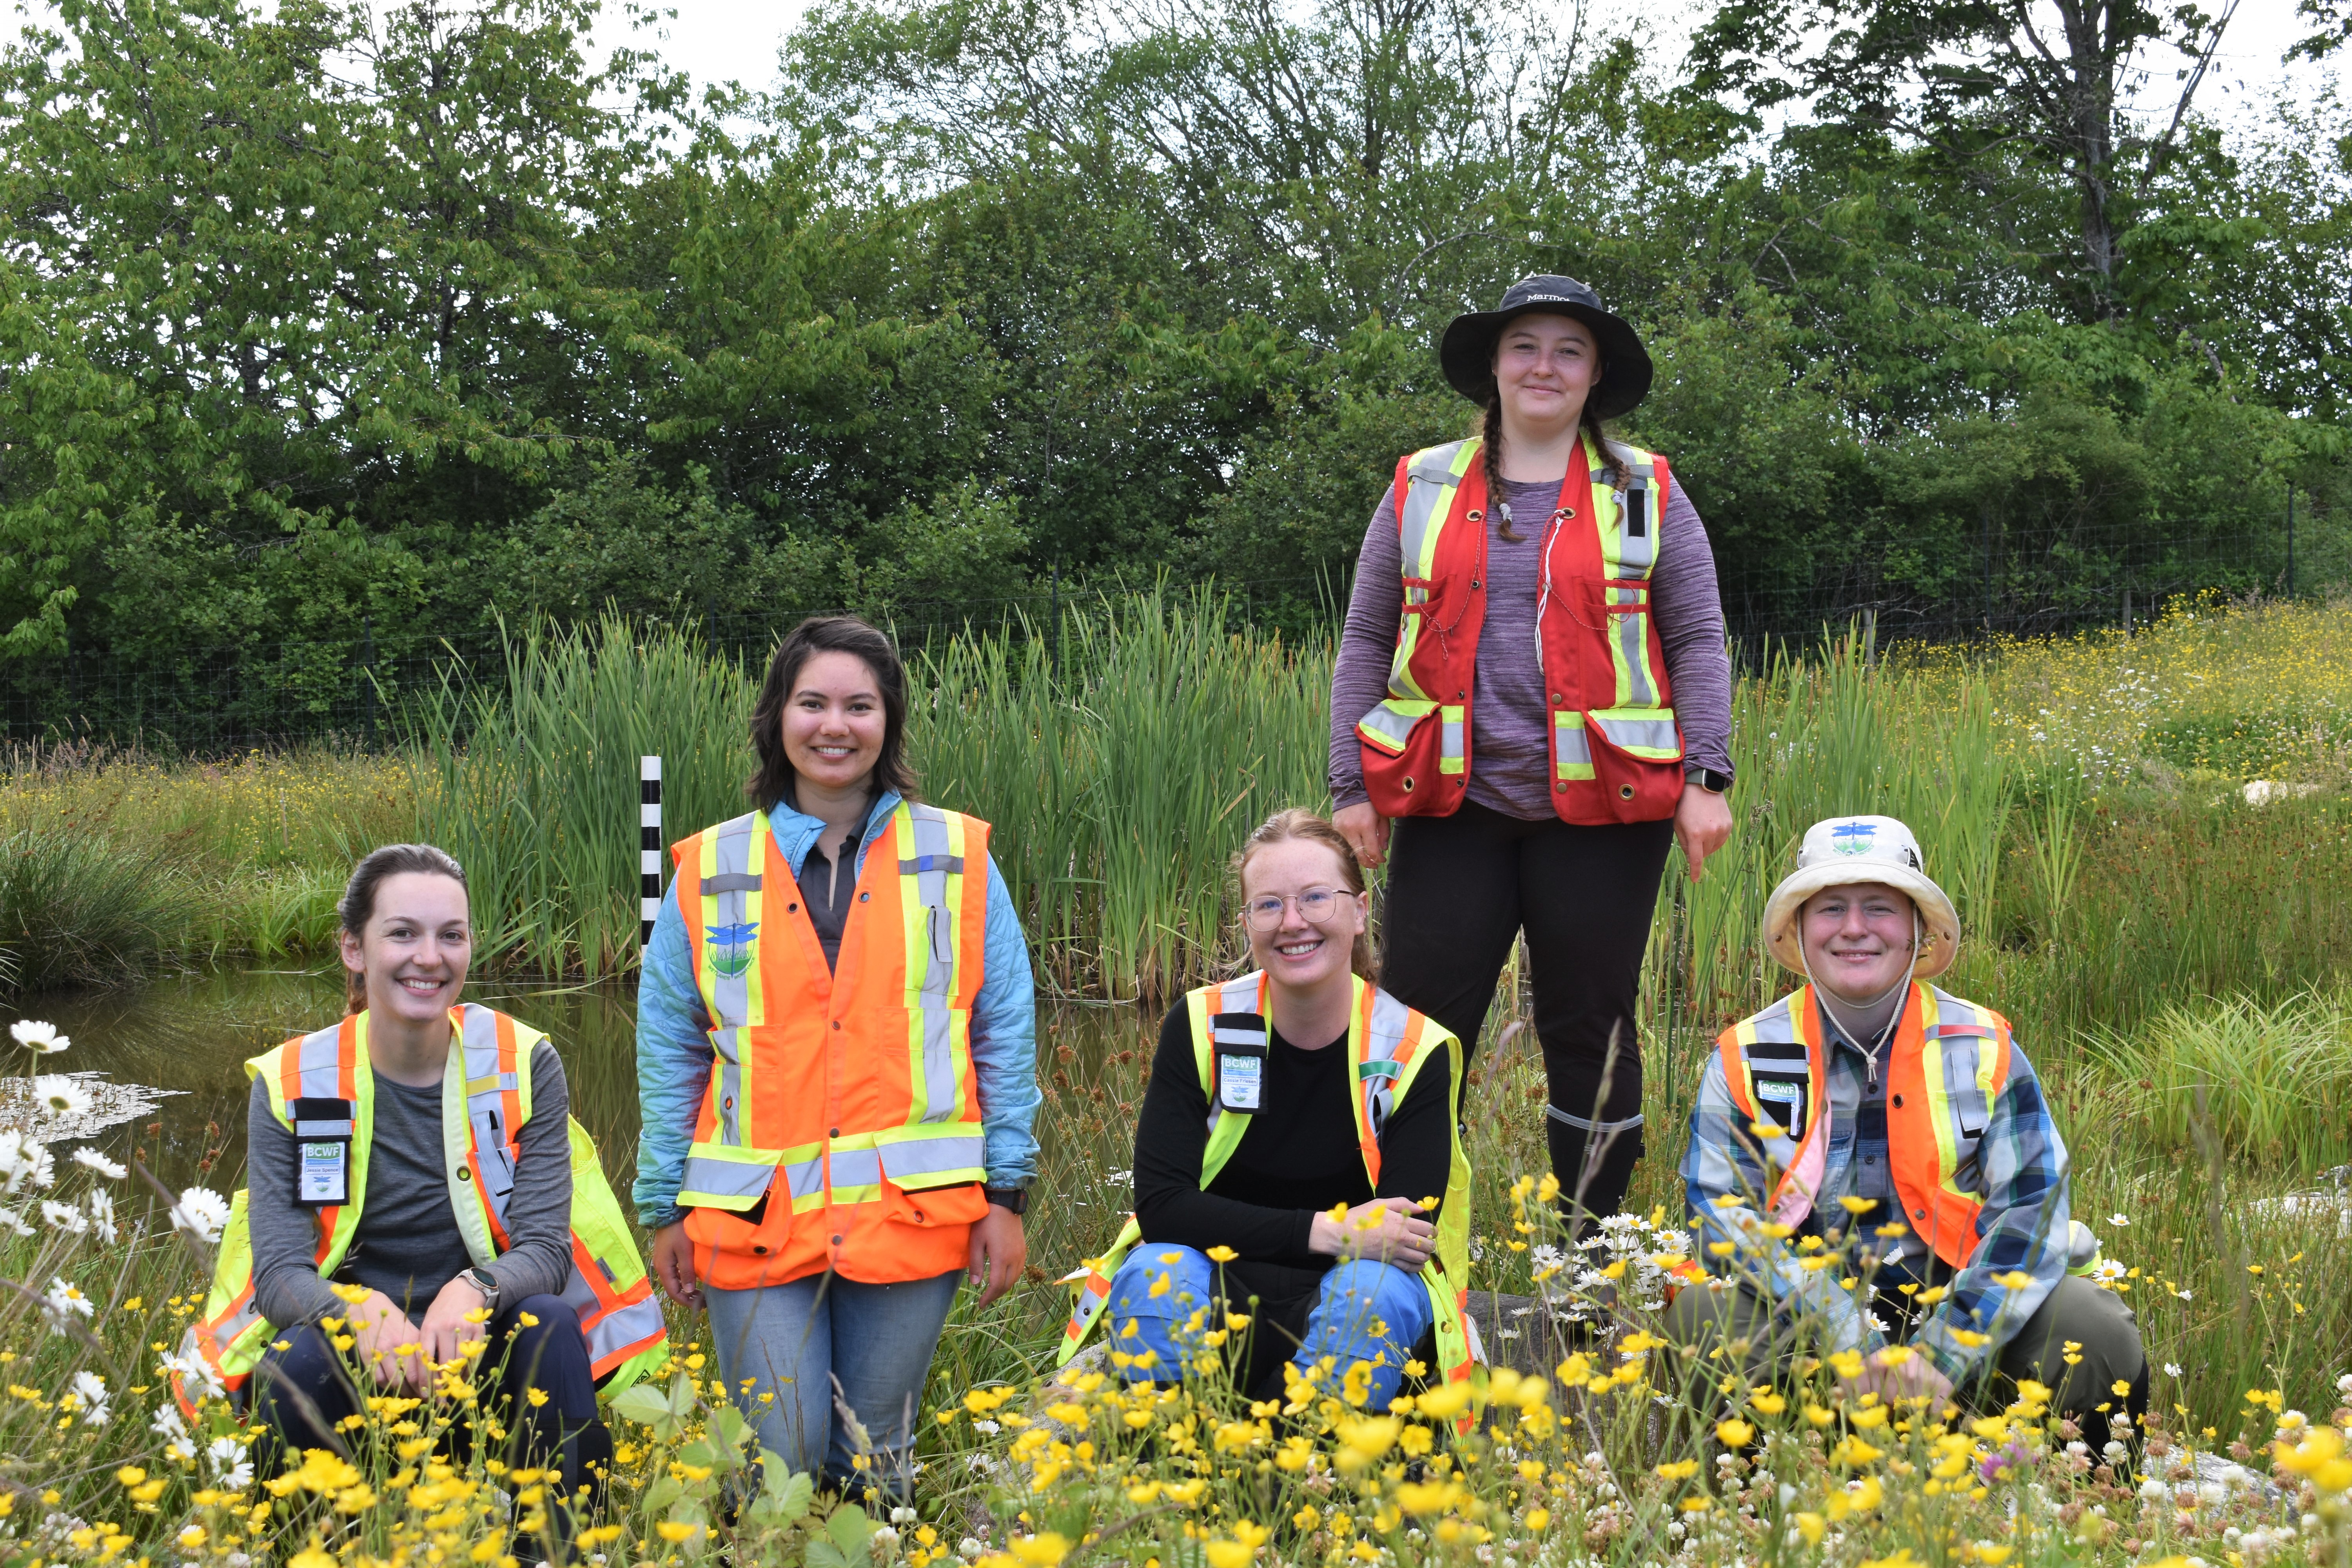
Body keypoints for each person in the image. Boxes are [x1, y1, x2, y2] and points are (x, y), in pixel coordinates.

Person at [1328, 274, 1736, 1228]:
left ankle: (1589, 1257)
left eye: (1568, 350)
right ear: (1495, 368)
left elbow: (1698, 635)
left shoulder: (1646, 490)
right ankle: (1411, 1249)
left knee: (1589, 1029)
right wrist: (1352, 783)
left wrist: (1707, 775)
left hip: (1604, 817)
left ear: (1595, 376)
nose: (1544, 365)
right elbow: (1364, 635)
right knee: (1419, 1029)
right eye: (1525, 346)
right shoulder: (1421, 484)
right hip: (1450, 807)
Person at [635, 614, 1040, 1499]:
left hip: (912, 1212)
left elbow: (1004, 1029)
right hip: (752, 1217)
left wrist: (1006, 1194)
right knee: (781, 1449)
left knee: (874, 1456)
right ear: (778, 715)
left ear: (888, 720)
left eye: (860, 704)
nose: (834, 724)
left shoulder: (958, 857)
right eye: (812, 701)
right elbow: (670, 1045)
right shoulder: (708, 867)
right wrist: (663, 1202)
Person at [180, 844, 667, 1534]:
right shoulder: (293, 1081)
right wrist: (356, 1311)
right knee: (293, 1362)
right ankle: (318, 1546)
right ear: (354, 948)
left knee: (552, 1326)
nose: (429, 957)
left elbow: (546, 1251)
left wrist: (477, 1290)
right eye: (402, 933)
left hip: (478, 1352)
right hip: (354, 1355)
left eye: (451, 935)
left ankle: (564, 1546)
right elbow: (281, 1276)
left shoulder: (526, 1062)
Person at [1673, 815, 2145, 1449]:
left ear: (1919, 932)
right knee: (1703, 1316)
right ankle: (1756, 1519)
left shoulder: (1983, 1045)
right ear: (1800, 931)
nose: (1855, 928)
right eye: (1830, 908)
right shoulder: (1748, 1054)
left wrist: (1942, 1355)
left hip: (1964, 1315)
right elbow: (1719, 1217)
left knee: (2093, 1323)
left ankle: (2086, 1515)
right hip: (1810, 1325)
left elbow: (2033, 1210)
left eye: (1881, 908)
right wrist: (1844, 1332)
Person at [1056, 810, 1474, 1414]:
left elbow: (1403, 1237)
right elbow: (1162, 1206)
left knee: (1375, 1293)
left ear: (1359, 912)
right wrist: (1331, 1231)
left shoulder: (1413, 1049)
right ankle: (1180, 1452)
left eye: (1315, 898)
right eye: (1269, 905)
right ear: (1247, 923)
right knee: (1154, 1275)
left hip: (1350, 1291)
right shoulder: (1201, 1023)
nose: (1293, 922)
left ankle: (1300, 1467)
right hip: (1214, 1281)